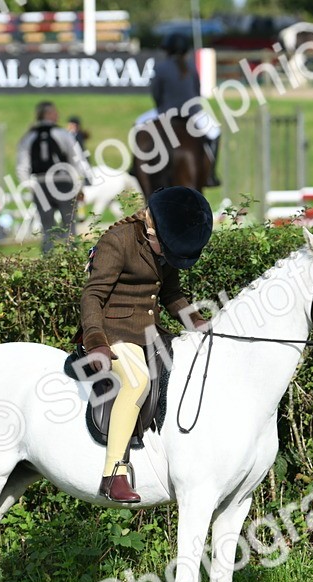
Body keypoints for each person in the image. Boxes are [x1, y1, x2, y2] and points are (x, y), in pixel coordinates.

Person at [80, 186, 212, 502]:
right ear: (150, 227)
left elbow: (170, 295)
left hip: (150, 333)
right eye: (164, 248)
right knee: (137, 382)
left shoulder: (162, 243)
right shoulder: (118, 240)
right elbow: (93, 295)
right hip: (113, 332)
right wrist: (96, 341)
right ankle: (114, 473)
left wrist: (199, 324)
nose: (166, 256)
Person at [15, 100, 90, 254]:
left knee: (47, 229)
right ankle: (72, 262)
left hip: (41, 185)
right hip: (63, 183)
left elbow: (22, 167)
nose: (58, 115)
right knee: (69, 227)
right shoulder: (63, 134)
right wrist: (79, 184)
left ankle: (48, 264)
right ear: (48, 114)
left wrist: (30, 186)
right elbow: (77, 160)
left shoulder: (28, 137)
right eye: (54, 112)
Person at [150, 32, 221, 187]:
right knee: (215, 131)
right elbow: (197, 91)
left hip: (165, 113)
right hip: (193, 113)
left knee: (137, 125)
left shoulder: (161, 68)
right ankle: (211, 175)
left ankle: (134, 168)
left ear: (168, 50)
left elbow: (156, 93)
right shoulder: (191, 67)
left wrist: (161, 107)